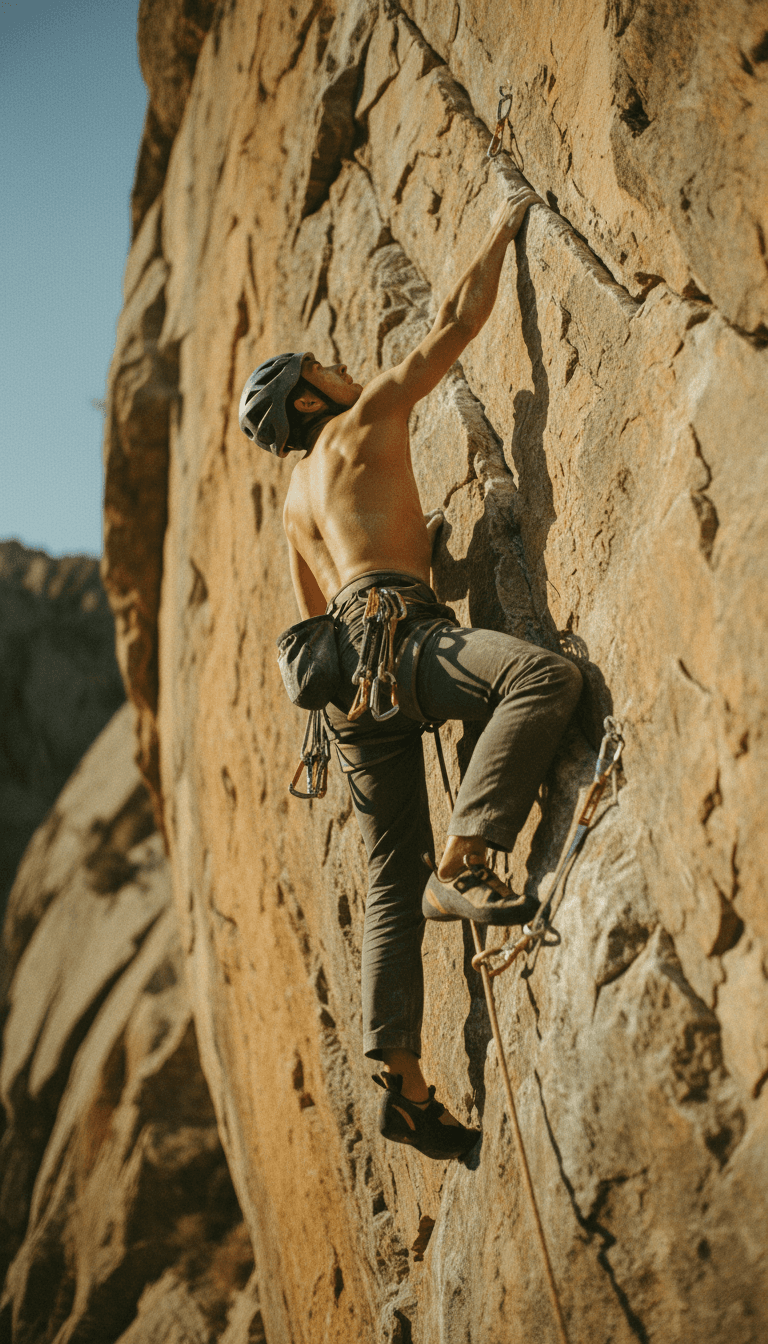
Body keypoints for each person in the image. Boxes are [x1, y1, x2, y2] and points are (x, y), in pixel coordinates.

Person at [238, 185, 583, 1161]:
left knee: (391, 872)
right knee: (541, 683)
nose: (343, 370)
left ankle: (401, 1078)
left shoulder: (297, 503)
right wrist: (504, 221)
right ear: (309, 400)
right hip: (401, 633)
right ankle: (470, 857)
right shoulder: (362, 421)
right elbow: (453, 323)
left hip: (345, 675)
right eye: (323, 369)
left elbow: (318, 609)